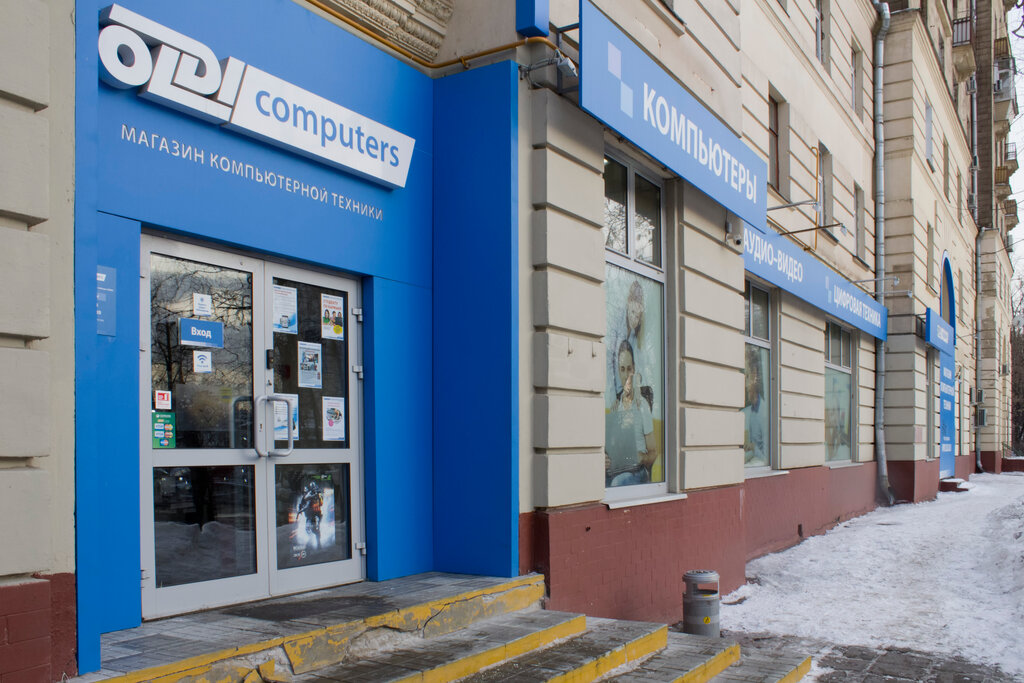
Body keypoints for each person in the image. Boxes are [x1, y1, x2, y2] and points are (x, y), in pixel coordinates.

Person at [605, 341, 657, 486]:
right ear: (618, 371)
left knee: (616, 484)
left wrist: (642, 458)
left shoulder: (642, 406)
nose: (626, 375)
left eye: (629, 369)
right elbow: (611, 446)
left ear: (633, 369)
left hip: (638, 470)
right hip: (618, 468)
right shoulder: (616, 407)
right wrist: (605, 459)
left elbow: (653, 452)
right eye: (622, 369)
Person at [742, 346, 768, 465]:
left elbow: (767, 458)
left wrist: (753, 447)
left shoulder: (764, 413)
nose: (745, 385)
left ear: (754, 376)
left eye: (747, 377)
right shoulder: (750, 411)